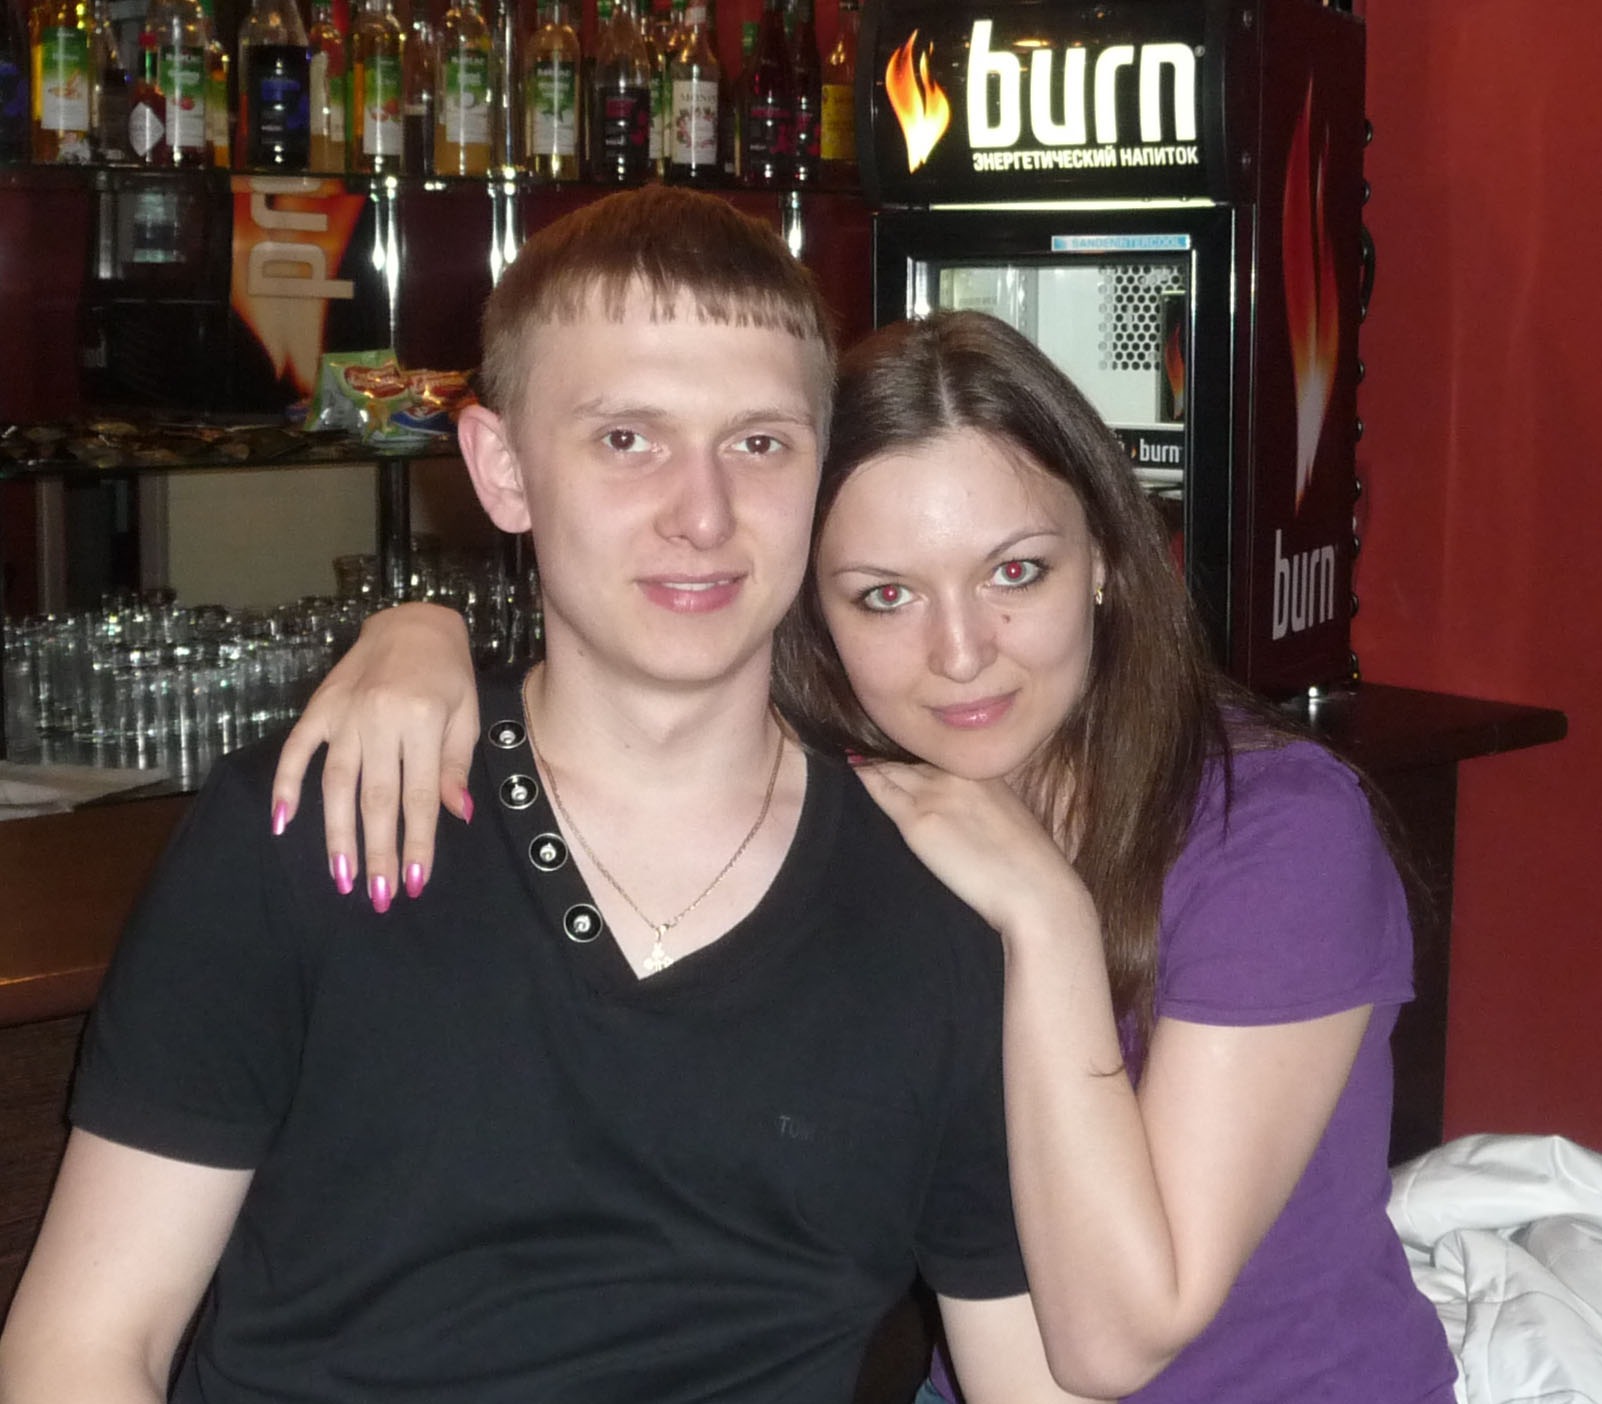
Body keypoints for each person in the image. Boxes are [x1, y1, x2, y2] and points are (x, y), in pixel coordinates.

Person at [0, 190, 1091, 1404]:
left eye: (759, 443)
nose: (703, 514)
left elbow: (1033, 1379)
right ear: (504, 469)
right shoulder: (311, 827)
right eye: (627, 439)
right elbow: (85, 1348)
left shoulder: (935, 903)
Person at [274, 309, 1460, 1403]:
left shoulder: (1274, 830)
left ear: (1109, 553)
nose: (961, 653)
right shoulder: (847, 796)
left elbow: (1115, 1343)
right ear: (814, 609)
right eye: (885, 595)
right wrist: (417, 635)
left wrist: (1045, 917)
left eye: (1016, 572)